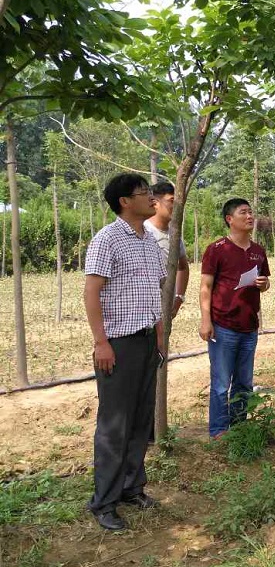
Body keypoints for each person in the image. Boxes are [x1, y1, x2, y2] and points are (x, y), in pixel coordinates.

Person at [83, 173, 166, 531]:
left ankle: (132, 487)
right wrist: (101, 342)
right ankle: (104, 501)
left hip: (147, 342)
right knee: (115, 425)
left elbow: (155, 293)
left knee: (140, 420)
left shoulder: (150, 242)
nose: (152, 197)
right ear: (125, 202)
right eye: (144, 192)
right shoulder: (107, 239)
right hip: (119, 344)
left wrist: (159, 337)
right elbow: (91, 293)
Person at [199, 198, 270, 439]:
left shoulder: (258, 251)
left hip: (249, 326)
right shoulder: (216, 249)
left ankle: (239, 428)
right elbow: (206, 287)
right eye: (243, 213)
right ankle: (219, 431)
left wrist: (263, 284)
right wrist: (206, 320)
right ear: (230, 219)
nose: (250, 216)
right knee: (221, 383)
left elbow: (265, 284)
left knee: (244, 382)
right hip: (223, 326)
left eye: (251, 212)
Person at [144, 180, 189, 317]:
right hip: (142, 311)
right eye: (172, 201)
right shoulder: (143, 231)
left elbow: (183, 267)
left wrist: (179, 298)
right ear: (155, 203)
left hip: (165, 310)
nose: (177, 206)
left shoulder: (175, 235)